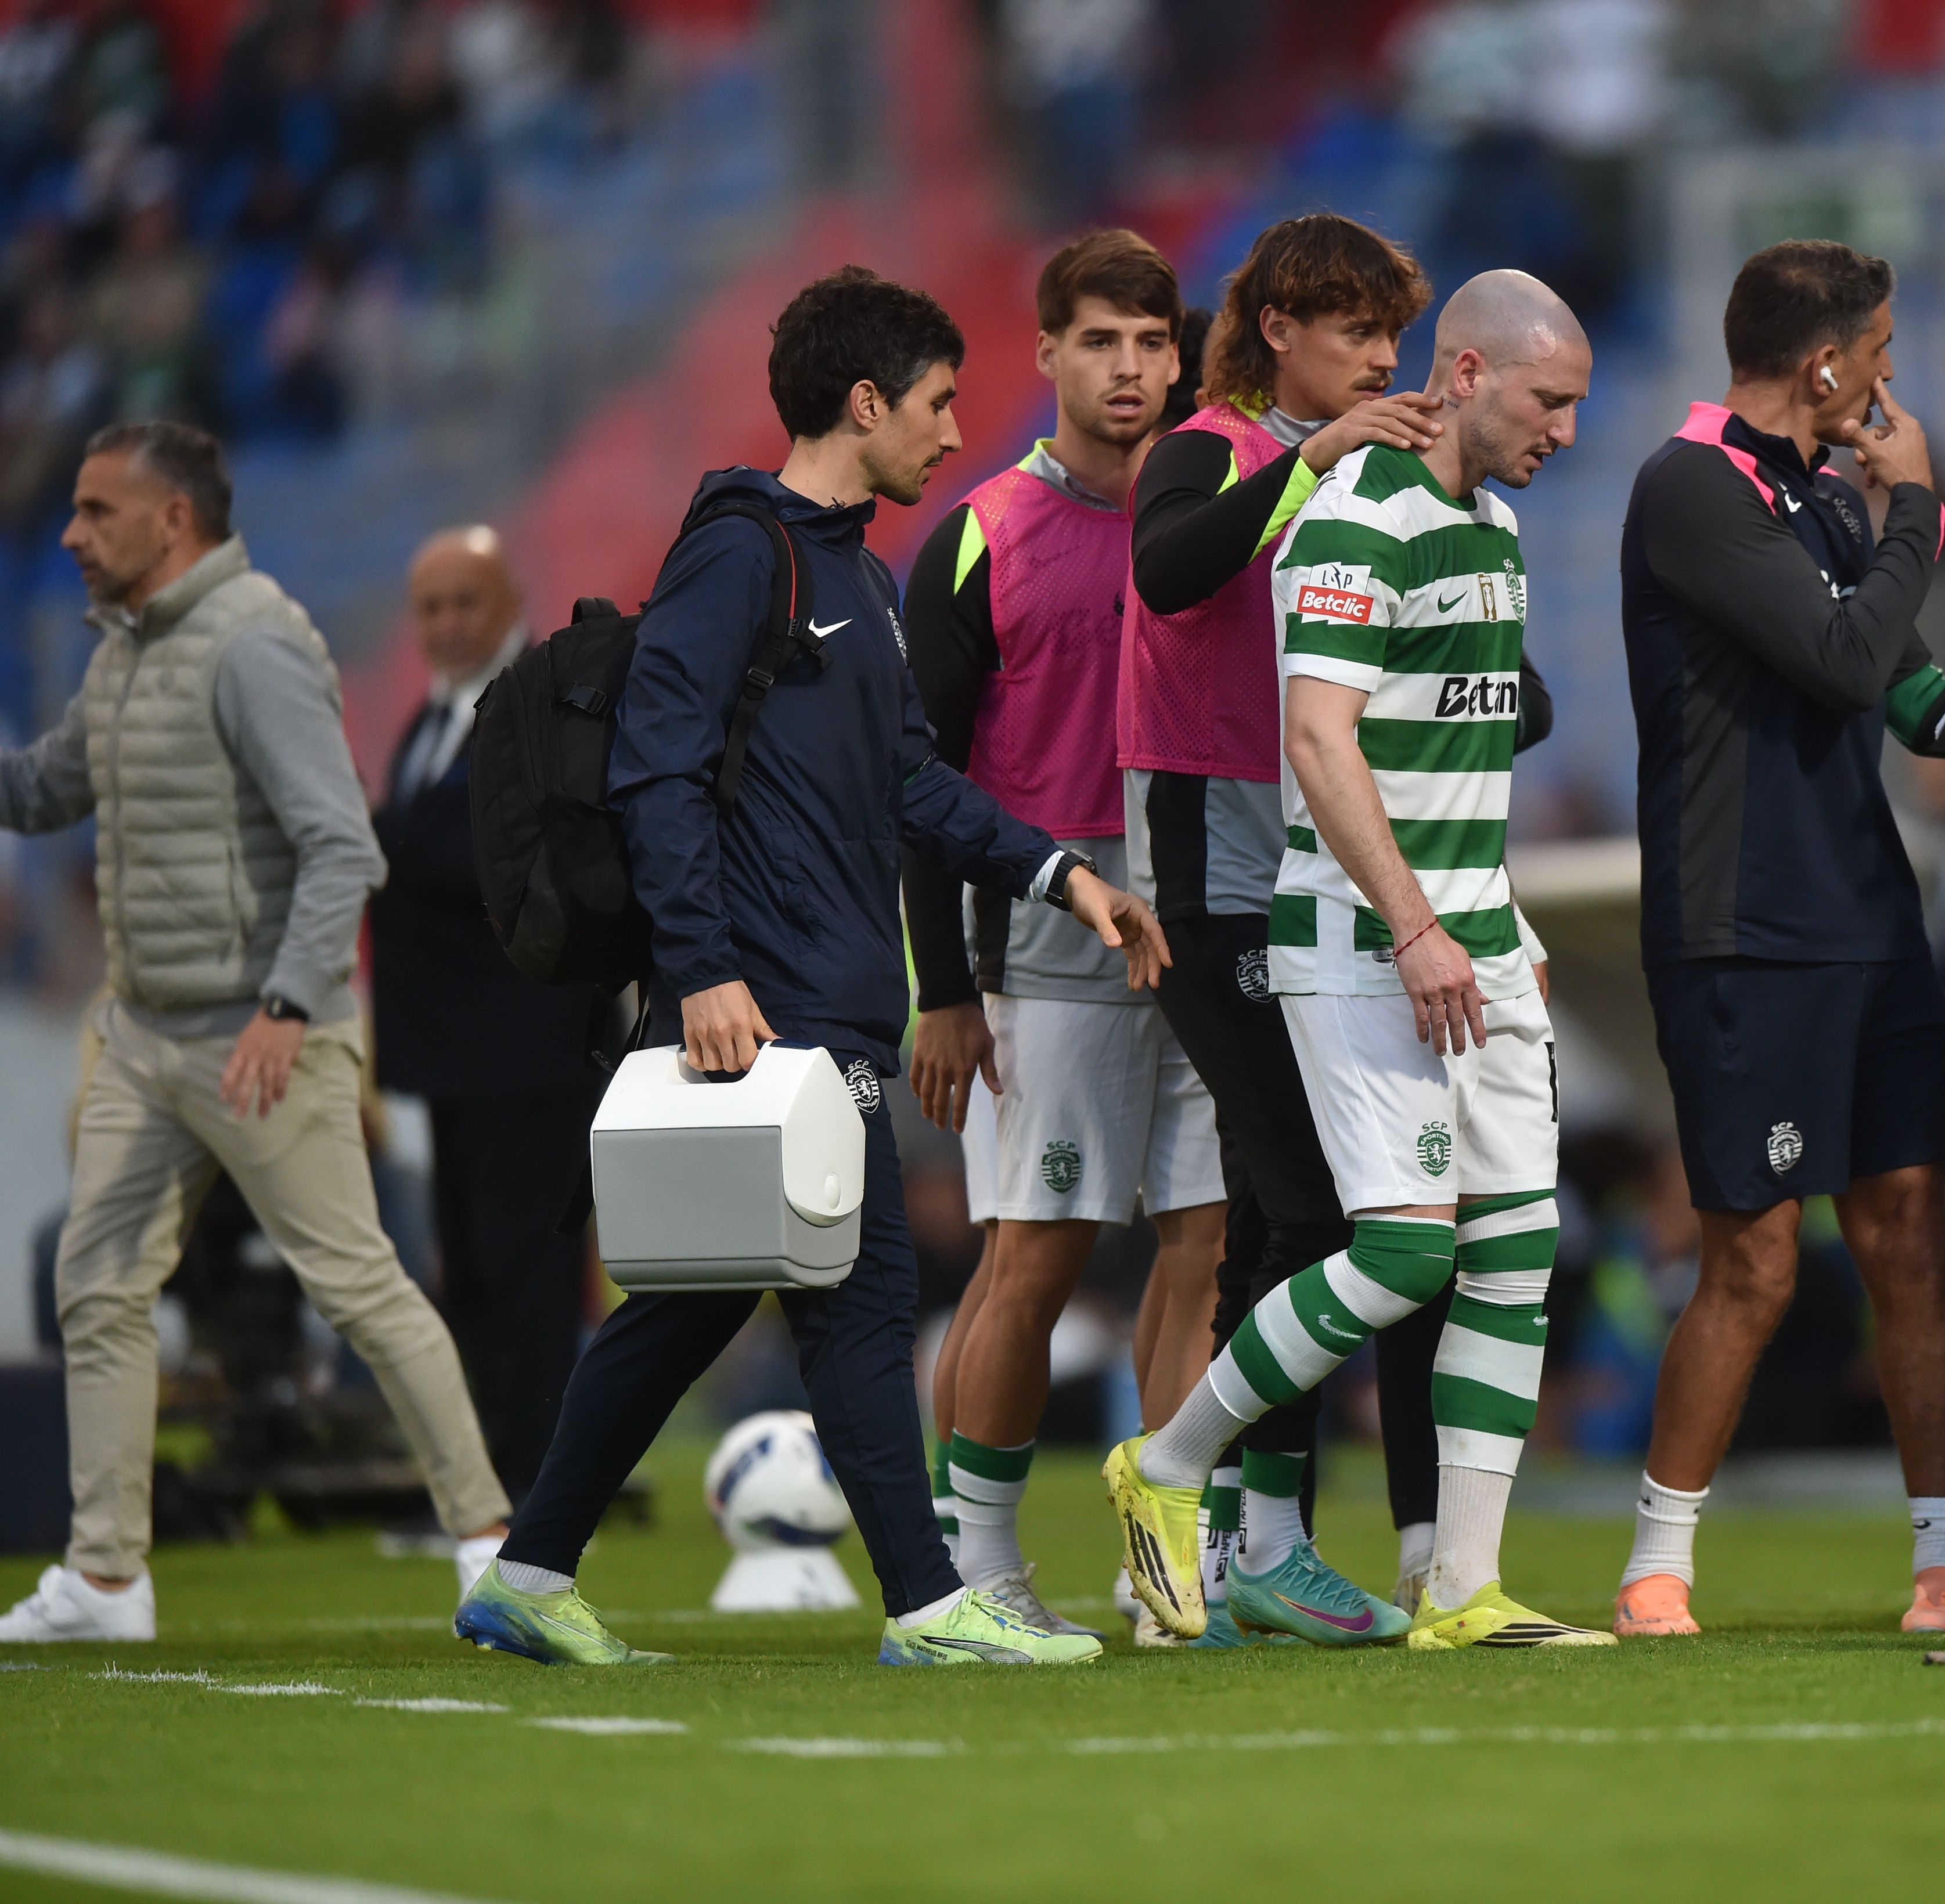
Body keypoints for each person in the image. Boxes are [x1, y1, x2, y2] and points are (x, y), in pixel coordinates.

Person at [451, 266, 1165, 1671]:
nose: (953, 431)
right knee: (864, 1297)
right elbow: (655, 766)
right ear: (866, 402)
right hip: (766, 1003)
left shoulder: (861, 575)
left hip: (821, 991)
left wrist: (1058, 873)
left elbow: (913, 780)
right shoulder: (741, 554)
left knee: (693, 1306)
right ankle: (930, 1603)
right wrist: (702, 969)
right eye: (939, 402)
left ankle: (526, 1573)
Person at [1105, 269, 1608, 1650]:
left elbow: (1460, 767)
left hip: (1476, 944)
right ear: (1466, 373)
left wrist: (1501, 923)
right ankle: (1164, 1463)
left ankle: (1463, 1588)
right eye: (1548, 400)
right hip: (1361, 943)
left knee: (1514, 1250)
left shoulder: (1496, 528)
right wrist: (1417, 924)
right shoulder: (1355, 514)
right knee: (1396, 1252)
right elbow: (1318, 741)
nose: (1565, 430)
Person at [0, 421, 509, 1645]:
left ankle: (497, 1548)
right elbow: (51, 788)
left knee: (360, 1285)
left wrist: (287, 1006)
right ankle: (107, 1581)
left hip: (258, 1034)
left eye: (96, 510)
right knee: (97, 1284)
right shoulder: (124, 650)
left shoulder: (257, 644)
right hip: (146, 1034)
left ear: (172, 520)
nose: (70, 534)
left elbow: (343, 845)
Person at [1611, 239, 1945, 1641]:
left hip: (1867, 917)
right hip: (1744, 927)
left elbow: (1916, 701)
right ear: (1824, 363)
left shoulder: (1826, 499)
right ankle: (1657, 1564)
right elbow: (1840, 658)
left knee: (1912, 1233)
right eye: (1877, 352)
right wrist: (1918, 510)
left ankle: (1943, 1566)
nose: (1888, 378)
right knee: (1756, 1256)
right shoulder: (1689, 485)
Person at [1117, 213, 1453, 1626]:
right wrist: (1311, 465)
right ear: (1278, 330)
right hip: (1215, 876)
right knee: (1314, 1211)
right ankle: (1243, 1533)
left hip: (1321, 879)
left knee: (1276, 1208)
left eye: (1392, 334)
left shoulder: (1378, 474)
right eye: (1355, 330)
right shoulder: (1207, 449)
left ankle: (1231, 1543)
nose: (1382, 359)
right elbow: (1167, 571)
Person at [898, 230, 1227, 1644]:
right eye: (1100, 340)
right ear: (1044, 353)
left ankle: (1167, 1569)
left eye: (1153, 341)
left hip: (1206, 915)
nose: (1130, 368)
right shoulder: (978, 534)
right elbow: (918, 783)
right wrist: (944, 987)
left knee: (1206, 1245)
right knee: (1031, 1259)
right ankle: (974, 1567)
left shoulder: (1216, 516)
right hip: (1041, 942)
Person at [372, 524, 608, 1509]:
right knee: (471, 1270)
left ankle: (536, 1491)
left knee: (528, 1274)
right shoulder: (435, 718)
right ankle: (488, 1485)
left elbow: (478, 847)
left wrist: (374, 835)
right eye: (430, 607)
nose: (447, 623)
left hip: (530, 1047)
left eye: (465, 601)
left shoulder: (537, 706)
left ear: (512, 602)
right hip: (456, 1054)